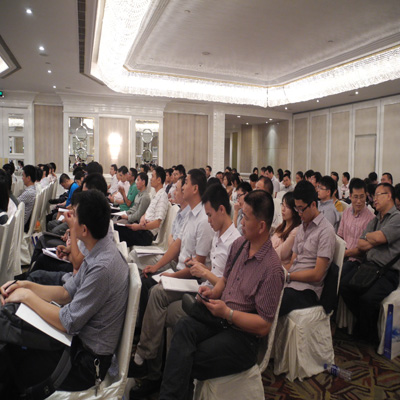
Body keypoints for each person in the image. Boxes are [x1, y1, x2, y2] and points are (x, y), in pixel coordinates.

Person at [0, 190, 129, 397]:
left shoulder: (103, 267)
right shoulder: (100, 251)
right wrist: (25, 286)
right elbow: (66, 292)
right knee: (11, 331)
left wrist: (26, 297)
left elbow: (67, 321)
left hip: (85, 362)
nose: (69, 217)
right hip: (75, 342)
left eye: (74, 215)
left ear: (84, 230)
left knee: (14, 356)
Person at [158, 190, 284, 400]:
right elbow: (225, 279)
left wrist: (229, 313)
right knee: (184, 327)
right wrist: (213, 292)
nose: (240, 222)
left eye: (246, 218)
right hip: (220, 320)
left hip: (243, 336)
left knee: (190, 355)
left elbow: (264, 326)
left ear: (262, 226)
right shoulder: (240, 245)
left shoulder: (271, 269)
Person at [129, 183, 240, 398]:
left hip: (211, 298)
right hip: (204, 289)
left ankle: (158, 374)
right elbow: (211, 270)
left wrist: (203, 272)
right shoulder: (217, 233)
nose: (208, 220)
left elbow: (228, 285)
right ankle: (153, 368)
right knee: (157, 297)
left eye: (210, 215)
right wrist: (202, 270)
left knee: (164, 311)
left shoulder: (234, 242)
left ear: (221, 210)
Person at [340, 182, 400, 344]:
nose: (374, 199)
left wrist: (373, 238)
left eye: (378, 195)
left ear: (389, 196)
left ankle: (366, 333)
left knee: (367, 299)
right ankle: (367, 325)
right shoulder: (376, 219)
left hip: (388, 272)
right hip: (369, 267)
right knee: (344, 286)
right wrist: (374, 239)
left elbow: (379, 237)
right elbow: (361, 243)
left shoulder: (397, 218)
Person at [279, 180, 336, 317]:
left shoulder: (326, 231)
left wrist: (288, 276)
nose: (298, 213)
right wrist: (279, 273)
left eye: (301, 209)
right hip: (292, 283)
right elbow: (293, 262)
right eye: (296, 209)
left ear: (313, 205)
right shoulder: (302, 227)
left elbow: (317, 274)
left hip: (307, 290)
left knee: (272, 301)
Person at [337, 178, 374, 279]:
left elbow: (365, 249)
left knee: (338, 277)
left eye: (362, 197)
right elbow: (340, 236)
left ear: (366, 195)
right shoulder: (346, 212)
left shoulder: (371, 219)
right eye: (355, 197)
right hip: (343, 255)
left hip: (357, 261)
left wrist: (345, 253)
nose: (359, 201)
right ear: (350, 196)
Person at [271, 192, 301, 266]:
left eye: (287, 207)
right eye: (282, 205)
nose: (283, 209)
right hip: (270, 261)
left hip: (279, 266)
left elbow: (281, 253)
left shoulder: (295, 231)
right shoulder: (281, 226)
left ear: (294, 210)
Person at [18, 165, 37, 232]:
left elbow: (15, 203)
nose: (22, 178)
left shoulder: (29, 193)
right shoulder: (33, 189)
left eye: (23, 176)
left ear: (28, 178)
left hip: (21, 224)